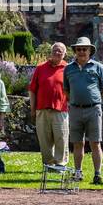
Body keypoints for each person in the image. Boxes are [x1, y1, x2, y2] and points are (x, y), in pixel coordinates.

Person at [63, 37, 103, 184]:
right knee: (77, 143)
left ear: (90, 51)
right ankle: (78, 173)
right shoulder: (68, 68)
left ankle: (97, 174)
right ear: (75, 51)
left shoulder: (98, 67)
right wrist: (75, 100)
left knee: (95, 143)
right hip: (75, 110)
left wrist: (95, 100)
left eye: (84, 49)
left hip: (93, 110)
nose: (82, 51)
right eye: (79, 49)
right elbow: (66, 90)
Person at [28, 42, 69, 170]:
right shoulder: (40, 68)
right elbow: (32, 90)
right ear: (51, 52)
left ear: (64, 54)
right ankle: (48, 165)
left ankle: (60, 165)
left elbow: (72, 89)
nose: (57, 52)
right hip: (42, 110)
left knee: (61, 138)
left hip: (60, 110)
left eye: (60, 51)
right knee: (44, 140)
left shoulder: (68, 68)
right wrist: (33, 109)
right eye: (55, 50)